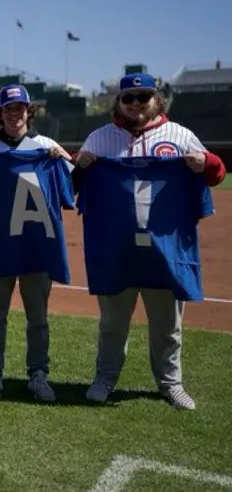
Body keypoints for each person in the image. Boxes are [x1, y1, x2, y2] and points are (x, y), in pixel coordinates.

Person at [74, 73, 226, 410]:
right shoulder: (100, 139)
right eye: (129, 98)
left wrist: (208, 162)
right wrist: (81, 167)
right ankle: (105, 378)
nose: (136, 104)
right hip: (118, 250)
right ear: (119, 101)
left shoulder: (180, 136)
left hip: (165, 250)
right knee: (112, 323)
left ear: (156, 99)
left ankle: (171, 383)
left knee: (168, 326)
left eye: (143, 97)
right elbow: (72, 187)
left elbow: (216, 174)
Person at [0, 84, 73, 402]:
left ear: (29, 111)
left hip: (36, 248)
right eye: (8, 109)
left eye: (20, 108)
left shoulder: (46, 146)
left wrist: (65, 157)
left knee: (37, 316)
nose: (14, 114)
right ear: (0, 113)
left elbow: (75, 179)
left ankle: (38, 373)